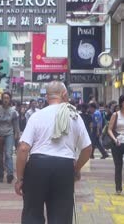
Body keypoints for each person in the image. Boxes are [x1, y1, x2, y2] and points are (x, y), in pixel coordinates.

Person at [15, 81, 92, 223]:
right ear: (64, 95)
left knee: (32, 213)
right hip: (64, 166)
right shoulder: (74, 116)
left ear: (47, 97)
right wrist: (76, 169)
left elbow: (23, 148)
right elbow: (87, 149)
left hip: (37, 166)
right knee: (61, 216)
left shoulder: (36, 116)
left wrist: (20, 178)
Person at [0, 92, 20, 183]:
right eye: (4, 98)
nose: (6, 100)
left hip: (9, 134)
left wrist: (17, 133)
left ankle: (10, 174)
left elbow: (16, 124)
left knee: (8, 154)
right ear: (1, 99)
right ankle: (1, 174)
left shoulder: (13, 112)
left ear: (10, 99)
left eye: (7, 98)